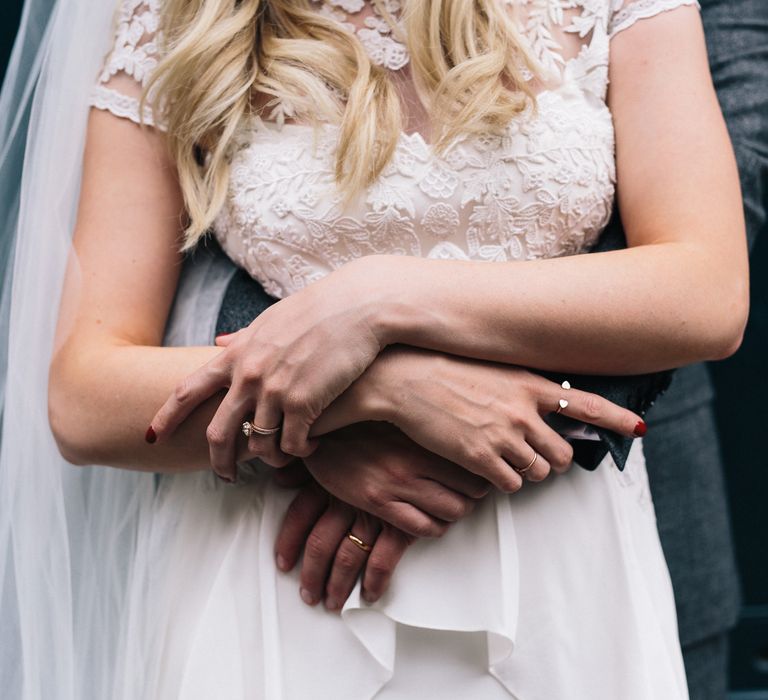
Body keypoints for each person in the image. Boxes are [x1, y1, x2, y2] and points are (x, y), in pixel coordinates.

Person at [0, 0, 748, 698]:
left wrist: (378, 302)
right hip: (291, 574)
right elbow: (83, 394)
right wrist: (369, 397)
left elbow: (706, 290)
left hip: (566, 564)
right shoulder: (179, 20)